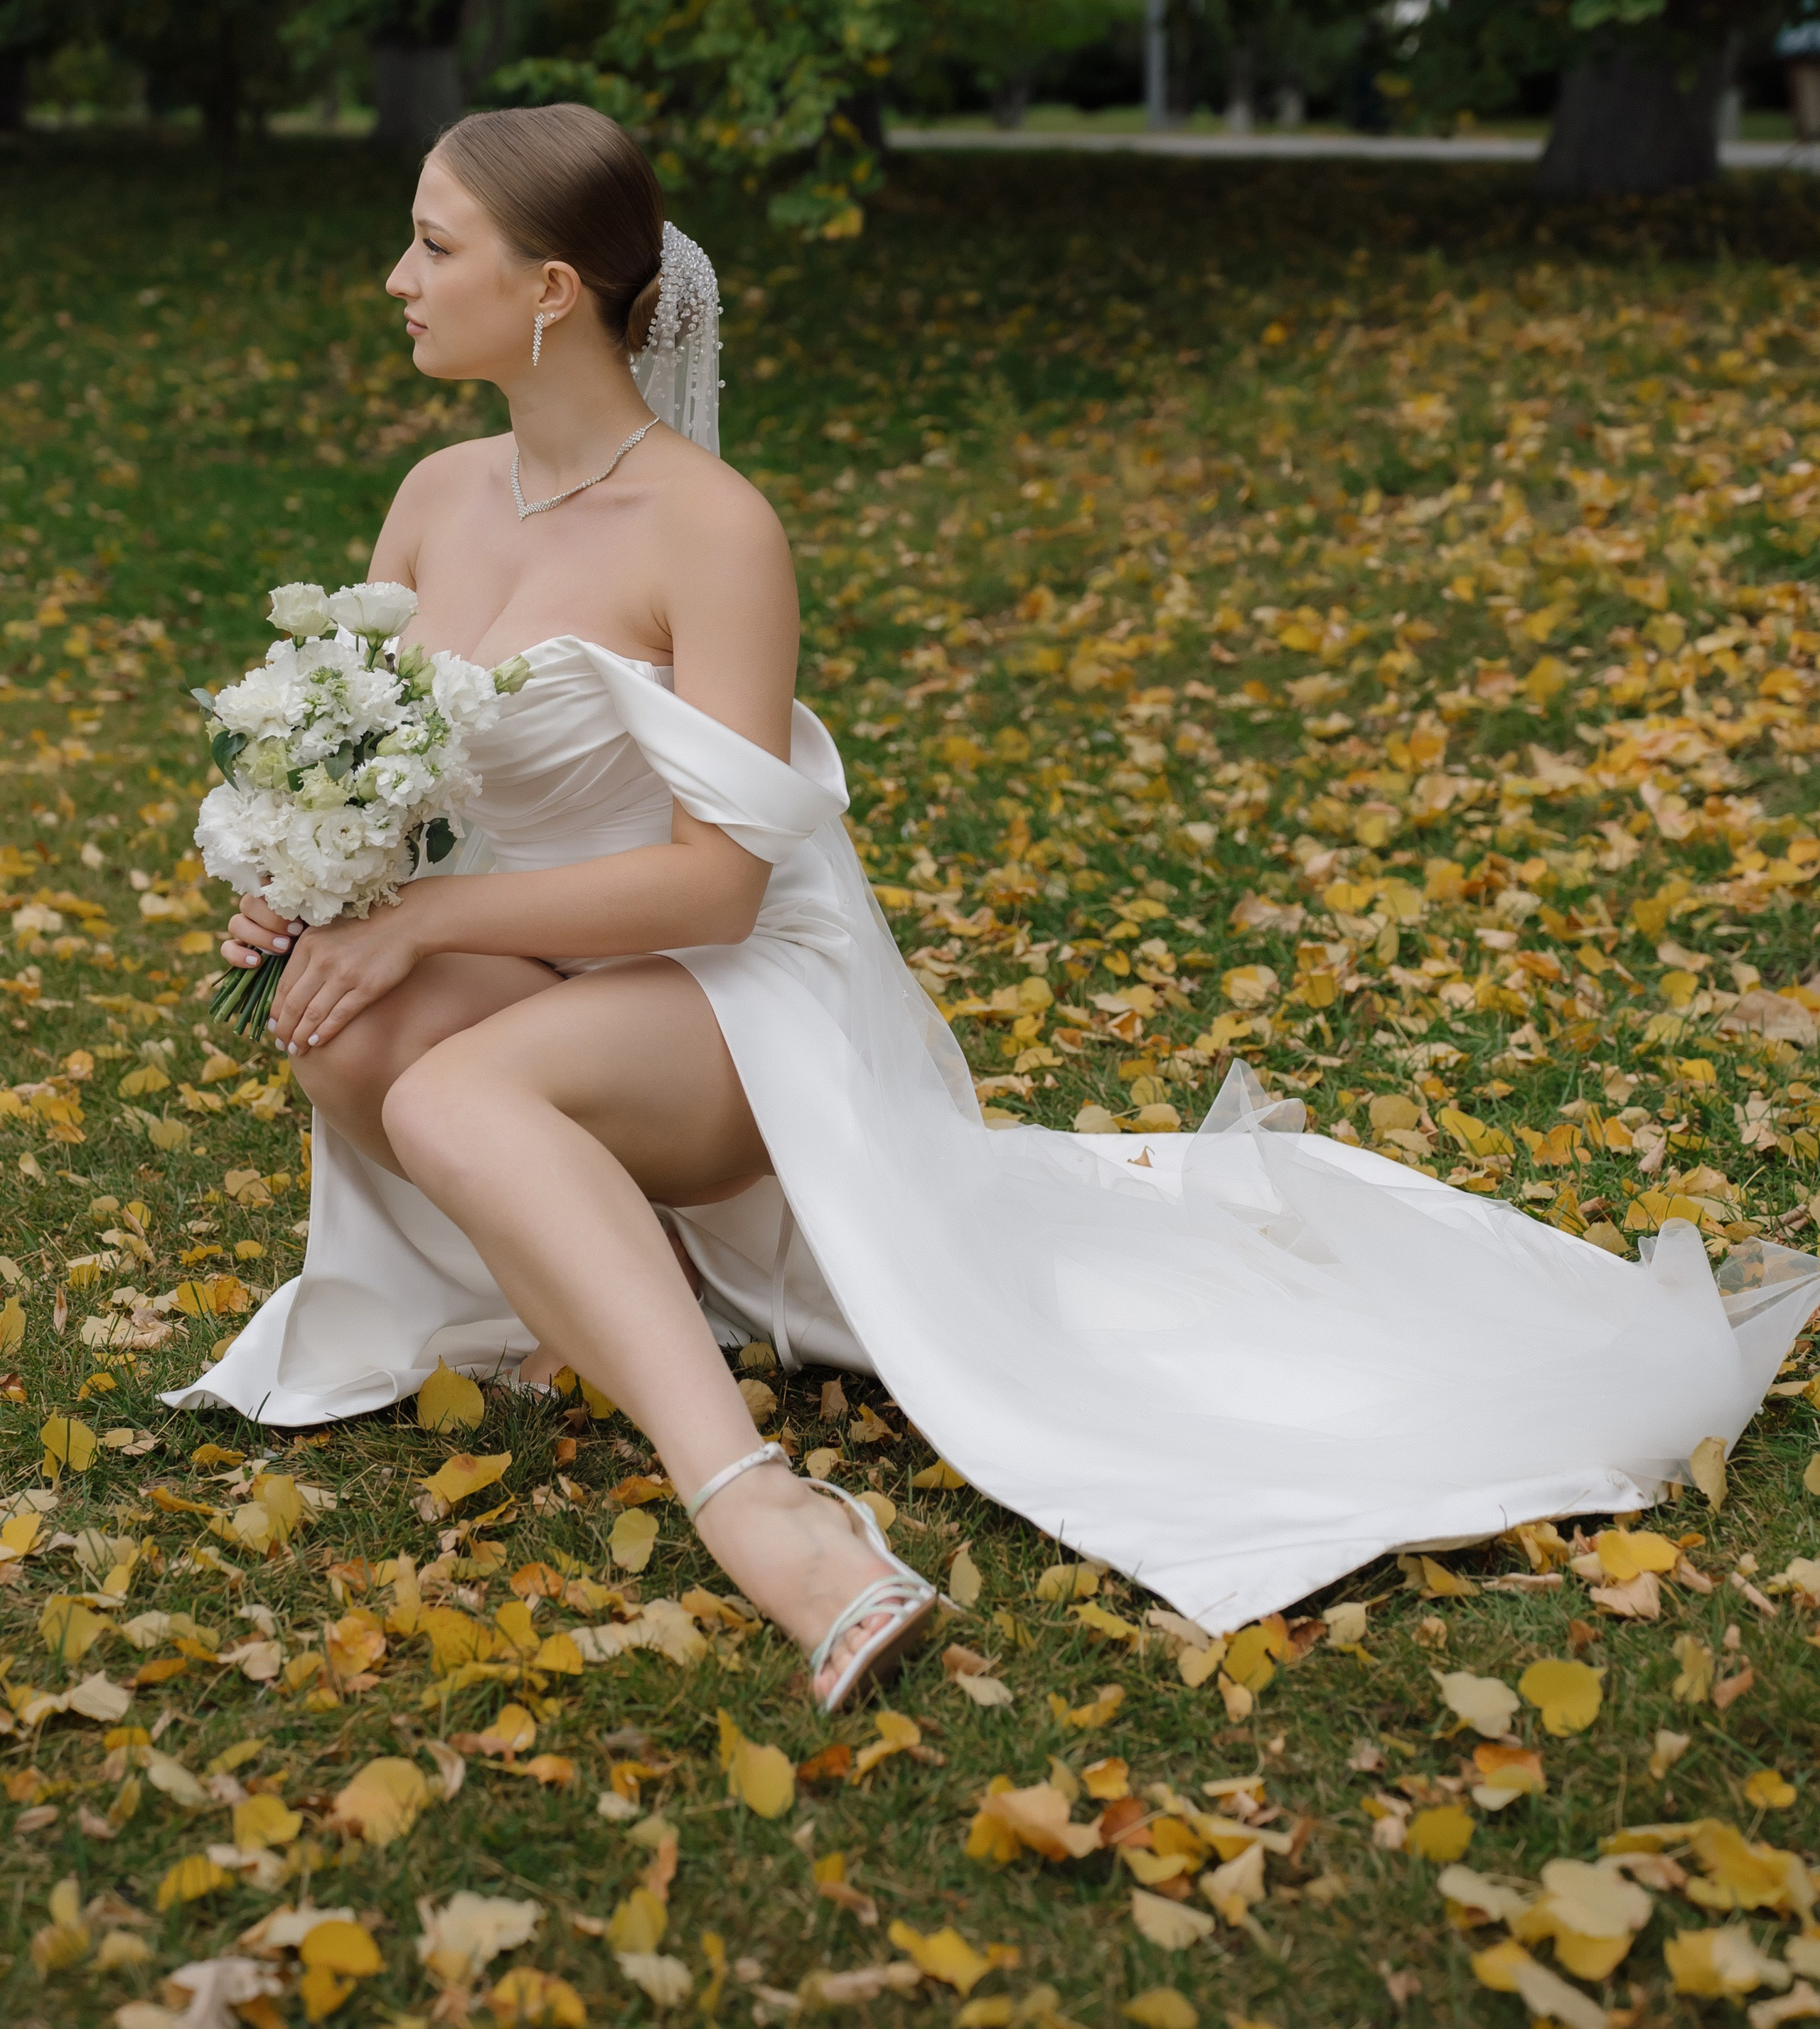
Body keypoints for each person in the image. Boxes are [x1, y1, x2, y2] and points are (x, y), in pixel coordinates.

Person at [173, 102, 1820, 1696]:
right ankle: (602, 1293)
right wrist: (315, 893)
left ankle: (762, 1509)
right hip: (538, 963)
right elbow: (381, 788)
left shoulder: (712, 527)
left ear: (548, 289)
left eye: (429, 241)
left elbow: (720, 884)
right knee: (348, 1031)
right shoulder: (431, 498)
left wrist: (425, 926)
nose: (396, 275)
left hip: (730, 994)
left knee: (449, 1072)